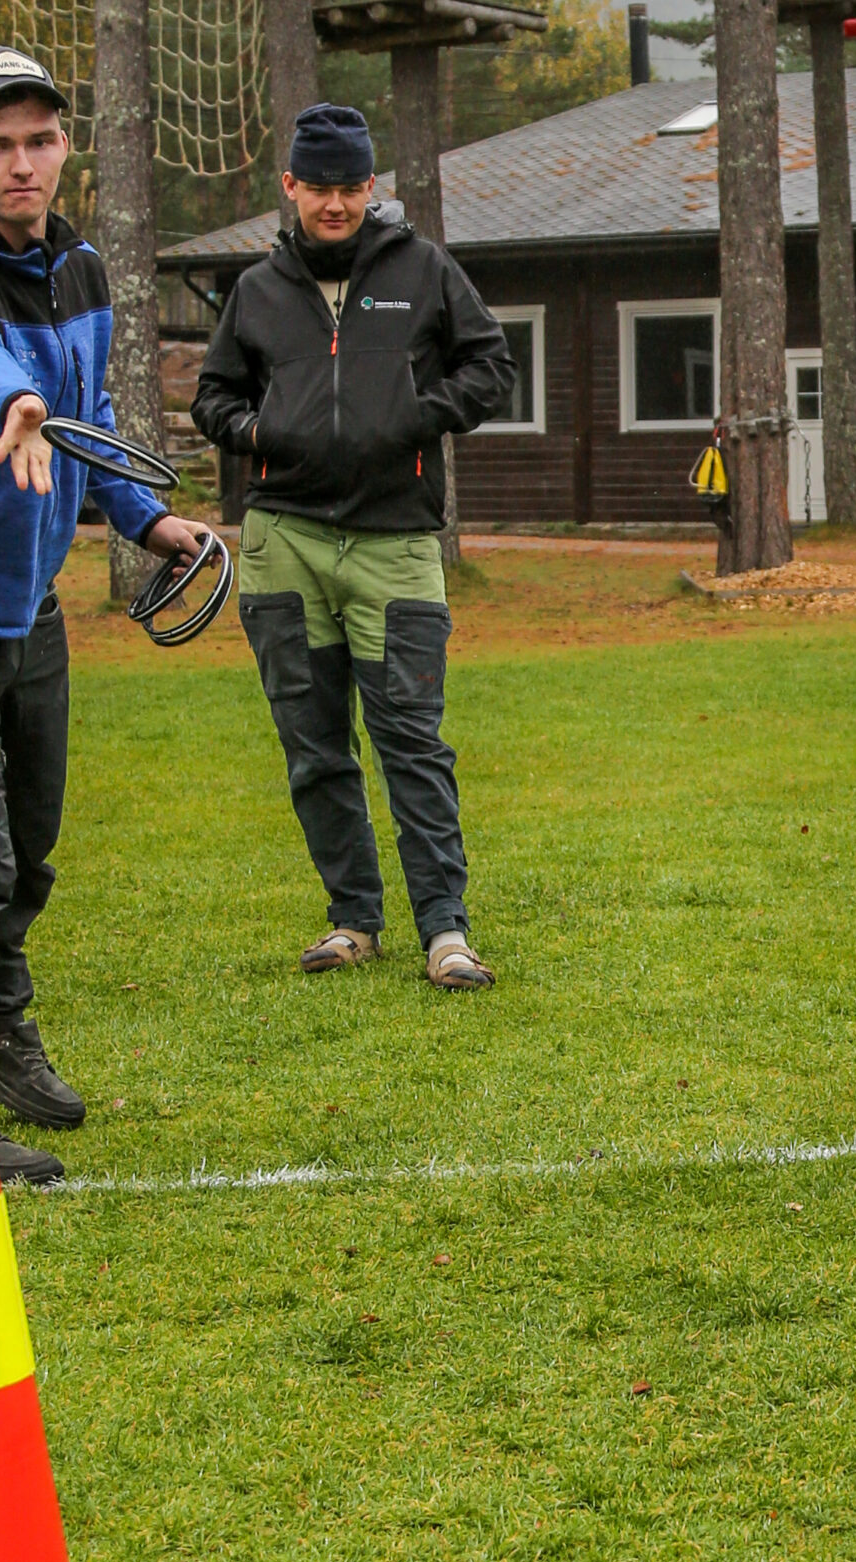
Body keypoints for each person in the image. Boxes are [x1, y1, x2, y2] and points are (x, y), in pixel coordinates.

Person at [0, 47, 210, 1184]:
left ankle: (0, 1026)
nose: (20, 163)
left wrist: (144, 518)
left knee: (29, 846)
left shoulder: (79, 265)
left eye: (38, 140)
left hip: (28, 604)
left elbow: (86, 410)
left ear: (65, 146)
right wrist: (11, 400)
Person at [193, 104, 515, 989]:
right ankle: (353, 921)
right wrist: (260, 431)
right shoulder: (257, 289)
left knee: (411, 740)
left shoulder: (424, 269)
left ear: (371, 187)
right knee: (315, 746)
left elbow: (491, 367)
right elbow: (213, 397)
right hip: (284, 541)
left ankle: (445, 932)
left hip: (395, 542)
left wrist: (413, 415)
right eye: (317, 187)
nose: (334, 204)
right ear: (290, 186)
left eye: (349, 188)